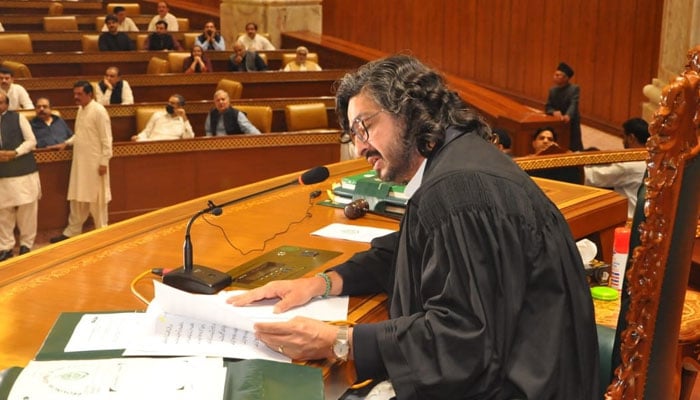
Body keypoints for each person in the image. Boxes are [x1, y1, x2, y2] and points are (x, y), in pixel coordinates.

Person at [228, 55, 598, 399]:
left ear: (409, 111)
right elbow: (410, 249)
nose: (360, 148)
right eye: (353, 135)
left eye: (365, 127)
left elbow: (463, 342)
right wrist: (318, 283)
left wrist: (339, 340)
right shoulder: (458, 164)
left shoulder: (458, 192)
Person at [50, 81, 113, 243]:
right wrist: (67, 143)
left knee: (96, 200)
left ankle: (102, 231)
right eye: (75, 94)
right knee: (78, 197)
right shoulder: (80, 110)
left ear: (89, 94)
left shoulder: (99, 111)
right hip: (80, 163)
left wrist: (104, 162)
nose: (75, 97)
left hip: (95, 164)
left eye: (79, 94)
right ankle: (72, 231)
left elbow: (107, 139)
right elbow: (80, 133)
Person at [0, 92, 40, 261]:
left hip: (23, 171)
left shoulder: (18, 118)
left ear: (7, 104)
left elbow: (31, 141)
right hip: (2, 173)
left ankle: (26, 245)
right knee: (3, 212)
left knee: (27, 210)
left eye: (0, 102)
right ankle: (5, 247)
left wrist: (15, 152)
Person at [584, 117, 650, 219]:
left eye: (624, 137)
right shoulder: (653, 159)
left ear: (631, 138)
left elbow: (590, 177)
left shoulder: (628, 167)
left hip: (629, 222)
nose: (623, 142)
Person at [545, 62, 582, 151]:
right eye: (555, 74)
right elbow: (548, 107)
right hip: (557, 122)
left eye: (558, 75)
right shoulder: (552, 90)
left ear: (566, 78)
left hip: (571, 122)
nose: (555, 77)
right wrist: (553, 112)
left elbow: (574, 104)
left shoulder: (574, 89)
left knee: (574, 146)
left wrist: (568, 115)